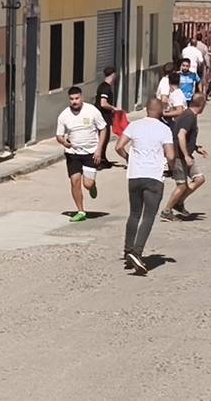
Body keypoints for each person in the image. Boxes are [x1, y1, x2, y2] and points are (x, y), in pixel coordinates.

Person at [115, 98, 175, 275]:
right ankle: (137, 252)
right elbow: (171, 155)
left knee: (134, 213)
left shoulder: (134, 126)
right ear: (161, 111)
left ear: (147, 109)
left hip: (134, 175)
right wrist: (171, 168)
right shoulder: (164, 129)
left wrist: (129, 158)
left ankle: (127, 250)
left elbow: (118, 146)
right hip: (154, 177)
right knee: (148, 216)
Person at [56, 87, 107, 223]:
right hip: (73, 153)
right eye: (72, 99)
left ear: (82, 97)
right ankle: (80, 211)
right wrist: (64, 142)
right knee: (75, 181)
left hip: (91, 152)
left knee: (87, 184)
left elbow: (103, 129)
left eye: (77, 98)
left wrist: (99, 150)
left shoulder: (92, 111)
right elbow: (59, 136)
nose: (74, 101)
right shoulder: (64, 115)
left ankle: (92, 186)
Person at [162, 94, 208, 221]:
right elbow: (181, 135)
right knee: (181, 185)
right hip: (179, 156)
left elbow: (185, 137)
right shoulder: (189, 116)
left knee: (199, 178)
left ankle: (179, 202)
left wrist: (196, 148)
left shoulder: (188, 115)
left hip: (184, 154)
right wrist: (186, 155)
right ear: (201, 104)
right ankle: (166, 211)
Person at [94, 67, 118, 168]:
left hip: (102, 115)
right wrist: (113, 108)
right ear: (113, 75)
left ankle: (102, 158)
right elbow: (103, 103)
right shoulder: (106, 88)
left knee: (104, 138)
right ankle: (99, 160)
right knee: (103, 137)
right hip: (103, 116)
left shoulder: (102, 86)